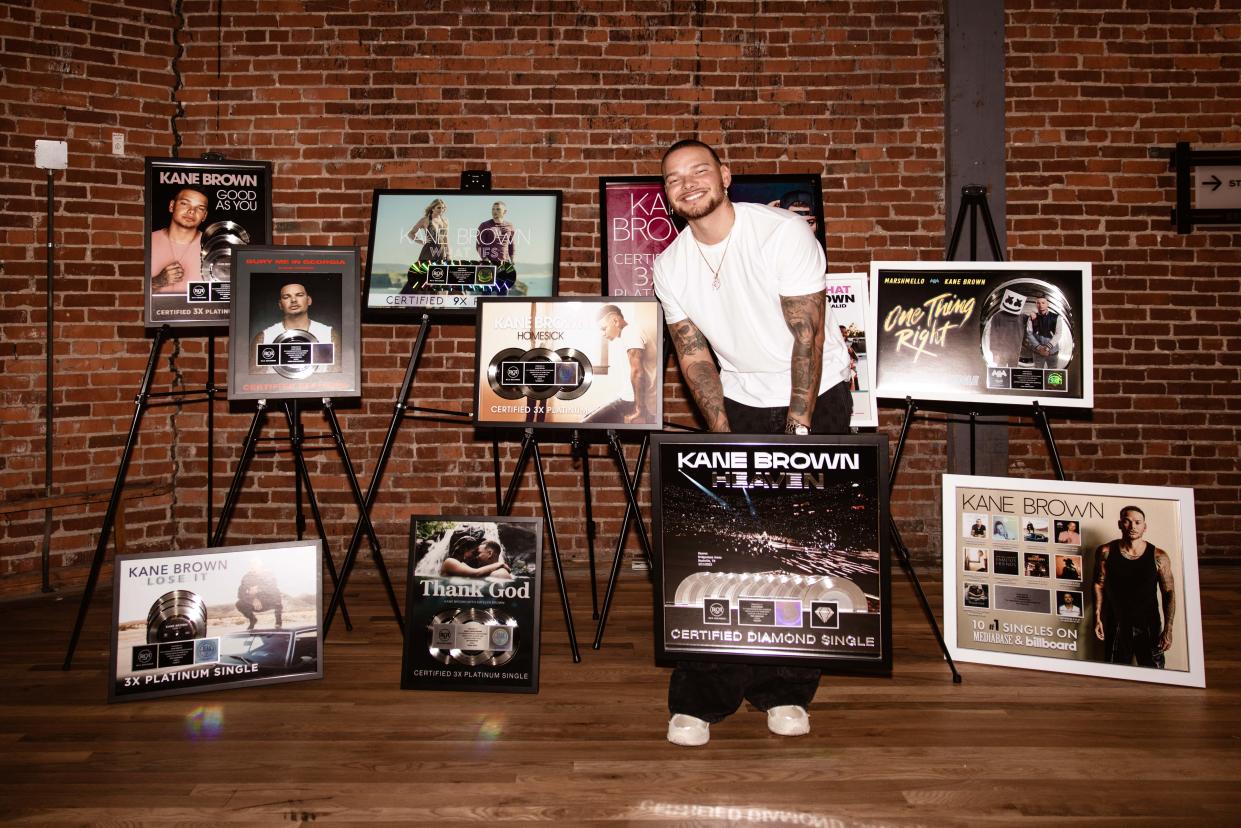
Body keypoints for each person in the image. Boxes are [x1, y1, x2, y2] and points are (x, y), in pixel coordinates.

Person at [652, 139, 853, 747]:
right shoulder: (671, 265)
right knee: (726, 547)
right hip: (738, 402)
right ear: (665, 194)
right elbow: (693, 356)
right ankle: (702, 699)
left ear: (725, 176)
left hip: (815, 398)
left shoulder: (780, 235)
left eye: (699, 171)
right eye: (673, 178)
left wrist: (797, 433)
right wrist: (721, 436)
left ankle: (785, 691)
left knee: (800, 548)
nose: (687, 184)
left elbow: (808, 340)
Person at [1093, 506, 1176, 668]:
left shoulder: (1159, 556)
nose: (1133, 527)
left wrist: (1169, 628)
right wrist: (1097, 617)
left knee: (1154, 671)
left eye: (1138, 522)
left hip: (1149, 623)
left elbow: (1169, 593)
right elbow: (1098, 584)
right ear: (1119, 524)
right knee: (1115, 672)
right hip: (1116, 623)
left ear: (1145, 527)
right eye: (1127, 521)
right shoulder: (1106, 551)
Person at [585, 304, 658, 426]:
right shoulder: (629, 333)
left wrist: (640, 410)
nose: (603, 333)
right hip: (629, 398)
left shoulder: (630, 332)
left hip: (632, 401)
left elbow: (637, 372)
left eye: (604, 328)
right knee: (588, 420)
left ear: (615, 320)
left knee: (585, 425)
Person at [251, 282, 340, 372]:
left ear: (309, 300)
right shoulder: (264, 337)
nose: (293, 300)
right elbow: (255, 379)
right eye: (286, 297)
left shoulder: (329, 334)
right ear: (280, 304)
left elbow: (336, 377)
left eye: (299, 295)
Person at [150, 187, 208, 293]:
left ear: (204, 216)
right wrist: (157, 281)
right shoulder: (148, 241)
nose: (191, 211)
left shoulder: (213, 246)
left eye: (200, 208)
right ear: (172, 206)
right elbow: (126, 290)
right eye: (185, 203)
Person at [236, 559, 283, 630]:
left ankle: (278, 621)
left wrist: (258, 589)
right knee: (239, 604)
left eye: (256, 565)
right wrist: (252, 599)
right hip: (256, 604)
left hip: (268, 601)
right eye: (252, 566)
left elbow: (273, 586)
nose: (254, 567)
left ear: (261, 566)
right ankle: (253, 619)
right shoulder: (246, 577)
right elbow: (240, 594)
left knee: (276, 593)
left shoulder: (268, 574)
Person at [440, 536, 511, 579]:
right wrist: (500, 564)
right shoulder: (450, 562)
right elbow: (476, 573)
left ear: (490, 553)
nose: (476, 557)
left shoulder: (499, 574)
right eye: (474, 553)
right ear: (464, 550)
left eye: (477, 553)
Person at [407, 198, 450, 262]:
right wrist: (422, 242)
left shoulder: (445, 222)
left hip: (441, 253)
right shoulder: (425, 220)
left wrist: (448, 254)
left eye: (443, 208)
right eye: (438, 207)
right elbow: (410, 234)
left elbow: (445, 239)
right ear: (432, 208)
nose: (441, 210)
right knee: (425, 272)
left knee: (440, 271)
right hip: (428, 253)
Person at [1025, 294, 1060, 368]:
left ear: (1048, 304)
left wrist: (1047, 348)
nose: (1041, 305)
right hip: (1038, 352)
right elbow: (1029, 334)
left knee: (1053, 373)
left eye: (1043, 303)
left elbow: (1058, 334)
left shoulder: (1056, 317)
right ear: (1036, 305)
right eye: (1038, 303)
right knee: (1038, 374)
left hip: (1052, 351)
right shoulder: (1032, 317)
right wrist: (1039, 348)